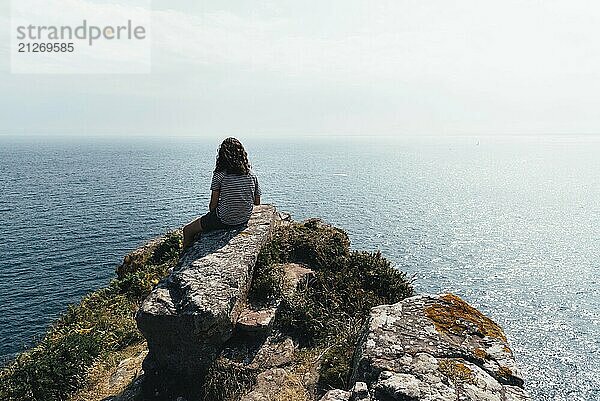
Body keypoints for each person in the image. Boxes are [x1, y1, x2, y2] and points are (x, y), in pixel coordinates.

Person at [183, 138, 261, 248]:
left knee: (187, 230)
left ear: (222, 155)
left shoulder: (220, 175)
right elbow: (257, 202)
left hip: (224, 219)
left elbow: (213, 205)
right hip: (244, 218)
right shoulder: (252, 175)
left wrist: (215, 216)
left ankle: (182, 261)